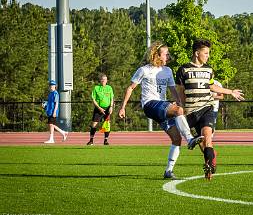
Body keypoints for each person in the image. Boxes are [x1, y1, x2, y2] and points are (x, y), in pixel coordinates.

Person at [118, 41, 203, 180]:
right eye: (166, 54)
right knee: (177, 111)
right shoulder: (144, 70)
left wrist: (180, 102)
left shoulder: (167, 71)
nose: (168, 56)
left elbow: (172, 89)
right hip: (150, 105)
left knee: (176, 139)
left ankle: (168, 171)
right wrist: (122, 107)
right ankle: (190, 139)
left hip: (161, 106)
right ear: (157, 55)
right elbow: (130, 88)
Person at [175, 39, 244, 180]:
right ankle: (210, 158)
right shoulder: (183, 69)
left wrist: (230, 92)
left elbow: (212, 87)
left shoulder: (209, 70)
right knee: (202, 143)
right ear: (196, 53)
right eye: (205, 53)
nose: (208, 56)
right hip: (190, 112)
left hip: (207, 108)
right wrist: (182, 106)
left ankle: (209, 168)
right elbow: (180, 90)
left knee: (207, 138)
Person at [87, 73, 114, 146]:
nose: (104, 81)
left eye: (105, 79)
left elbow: (112, 98)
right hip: (98, 109)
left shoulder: (109, 88)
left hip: (107, 108)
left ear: (107, 80)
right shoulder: (96, 88)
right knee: (94, 125)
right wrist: (99, 108)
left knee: (107, 125)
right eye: (102, 80)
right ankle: (91, 140)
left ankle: (105, 140)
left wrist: (111, 107)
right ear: (100, 80)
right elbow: (93, 99)